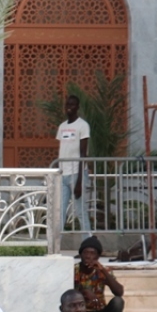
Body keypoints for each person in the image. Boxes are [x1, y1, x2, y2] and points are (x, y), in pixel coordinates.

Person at [56, 94, 92, 233]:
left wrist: (79, 182)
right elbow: (62, 149)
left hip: (77, 174)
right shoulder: (62, 127)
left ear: (77, 107)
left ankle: (87, 245)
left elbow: (83, 153)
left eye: (72, 105)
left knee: (81, 212)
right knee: (60, 213)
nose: (69, 107)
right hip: (63, 174)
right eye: (67, 104)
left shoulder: (82, 126)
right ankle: (55, 248)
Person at [74, 236, 125, 312]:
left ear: (97, 257)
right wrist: (83, 293)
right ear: (80, 254)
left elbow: (119, 292)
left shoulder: (102, 271)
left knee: (118, 301)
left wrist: (103, 271)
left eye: (92, 253)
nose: (88, 256)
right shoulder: (74, 270)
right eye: (85, 252)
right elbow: (67, 294)